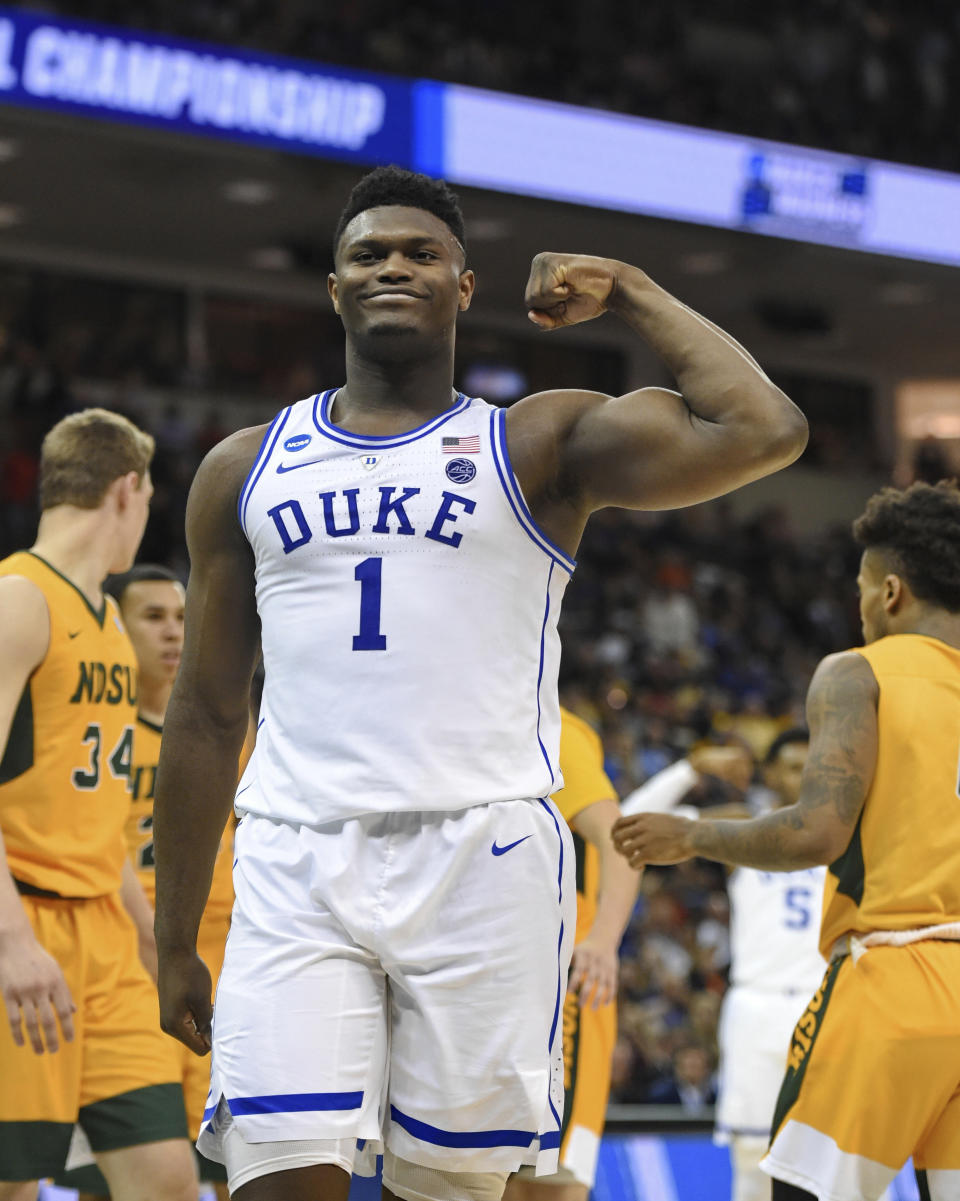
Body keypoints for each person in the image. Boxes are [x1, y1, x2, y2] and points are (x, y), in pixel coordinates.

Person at [151, 165, 808, 1201]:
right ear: (334, 287)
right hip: (295, 853)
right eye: (369, 253)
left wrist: (631, 287)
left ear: (465, 286)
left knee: (449, 1188)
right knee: (275, 1182)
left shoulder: (534, 441)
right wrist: (174, 932)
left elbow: (763, 430)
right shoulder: (244, 465)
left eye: (421, 253)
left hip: (483, 857)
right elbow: (202, 710)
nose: (394, 267)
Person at [613, 479, 960, 1201]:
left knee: (798, 1193)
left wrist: (693, 834)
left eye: (861, 587)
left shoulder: (858, 670)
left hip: (894, 978)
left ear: (890, 591)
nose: (858, 604)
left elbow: (817, 830)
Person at [0, 410, 197, 1201]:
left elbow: (99, 818)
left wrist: (155, 945)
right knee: (13, 1183)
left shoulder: (111, 627)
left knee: (167, 1183)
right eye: (147, 498)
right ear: (128, 489)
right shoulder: (20, 598)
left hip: (107, 943)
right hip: (24, 924)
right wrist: (11, 940)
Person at [56, 565, 235, 1201]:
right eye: (152, 617)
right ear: (114, 626)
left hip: (222, 958)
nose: (173, 633)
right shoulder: (87, 732)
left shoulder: (227, 735)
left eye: (182, 617)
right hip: (120, 956)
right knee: (120, 1161)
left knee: (216, 1165)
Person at [621, 732, 825, 1201]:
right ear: (771, 774)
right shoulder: (742, 826)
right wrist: (692, 768)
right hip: (758, 1004)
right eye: (793, 766)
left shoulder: (855, 826)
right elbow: (632, 821)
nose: (806, 776)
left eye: (815, 765)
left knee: (841, 1159)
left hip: (830, 1003)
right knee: (752, 1162)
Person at [504, 708, 639, 1201]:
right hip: (498, 964)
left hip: (559, 973)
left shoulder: (544, 722)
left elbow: (620, 838)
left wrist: (603, 940)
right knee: (486, 1167)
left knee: (548, 1177)